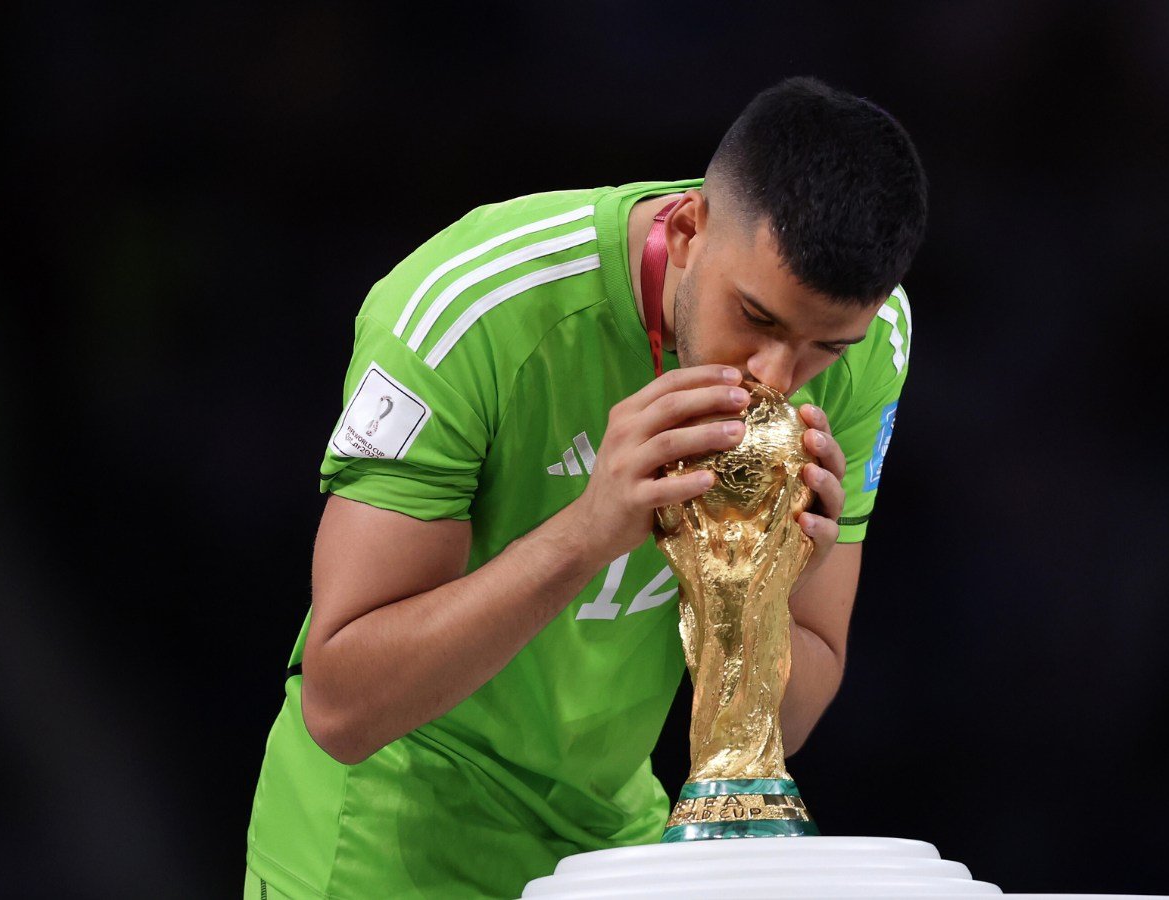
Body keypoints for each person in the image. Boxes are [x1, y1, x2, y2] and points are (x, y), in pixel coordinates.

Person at [243, 75, 928, 899]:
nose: (777, 377)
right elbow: (343, 708)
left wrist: (771, 585)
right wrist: (589, 531)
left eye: (825, 346)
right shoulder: (470, 308)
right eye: (756, 318)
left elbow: (787, 723)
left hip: (606, 852)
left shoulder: (876, 346)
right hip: (384, 846)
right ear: (687, 230)